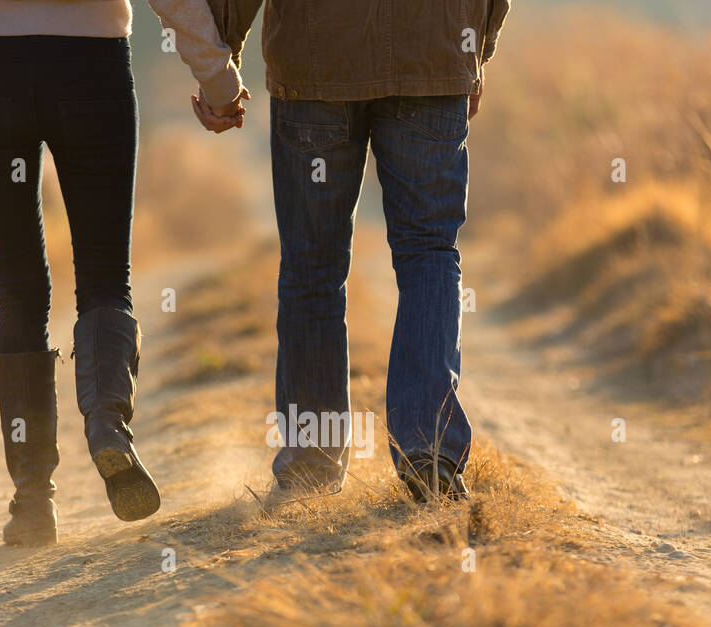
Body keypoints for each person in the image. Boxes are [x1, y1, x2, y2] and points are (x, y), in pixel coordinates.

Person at [0, 0, 247, 544]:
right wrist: (218, 79)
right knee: (106, 274)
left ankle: (32, 500)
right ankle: (107, 425)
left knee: (18, 288)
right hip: (93, 70)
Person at [192, 0, 511, 503]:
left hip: (317, 62)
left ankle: (311, 463)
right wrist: (477, 49)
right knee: (429, 251)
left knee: (312, 268)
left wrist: (219, 61)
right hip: (434, 53)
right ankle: (428, 449)